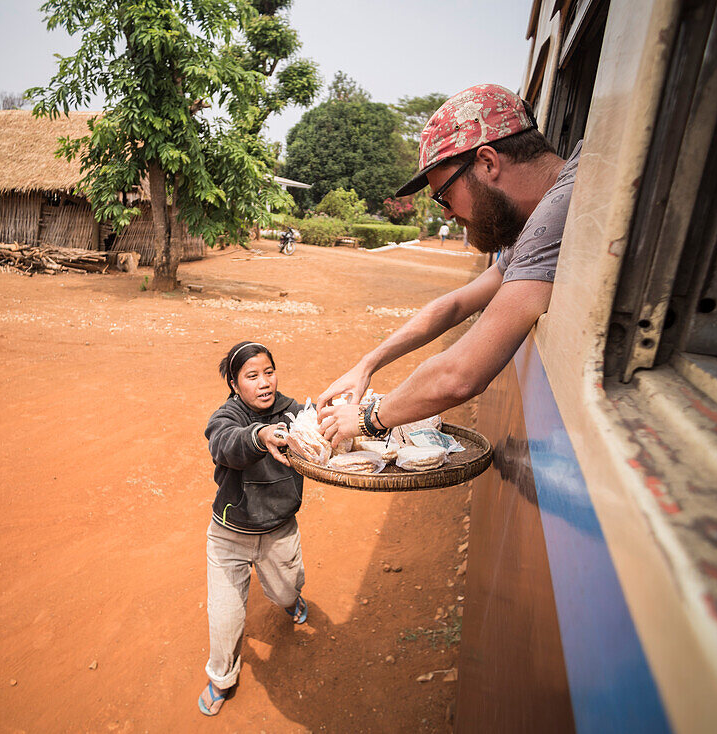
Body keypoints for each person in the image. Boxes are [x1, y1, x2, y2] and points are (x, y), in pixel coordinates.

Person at [317, 84, 582, 444]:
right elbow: (456, 303)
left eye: (444, 195)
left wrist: (367, 419)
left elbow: (459, 376)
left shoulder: (562, 207)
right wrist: (368, 364)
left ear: (487, 162)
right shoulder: (541, 215)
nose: (447, 212)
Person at [198, 341, 308, 716]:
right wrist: (259, 436)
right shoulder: (226, 417)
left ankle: (291, 599)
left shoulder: (294, 412)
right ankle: (221, 677)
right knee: (225, 616)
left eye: (269, 372)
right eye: (251, 376)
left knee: (286, 591)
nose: (264, 383)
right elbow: (223, 444)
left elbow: (318, 436)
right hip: (229, 534)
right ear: (234, 383)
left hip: (279, 530)